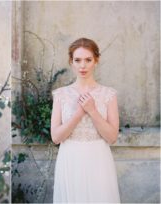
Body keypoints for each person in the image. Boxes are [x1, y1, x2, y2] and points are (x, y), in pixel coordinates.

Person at [51, 37, 121, 203]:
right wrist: (79, 113)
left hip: (98, 159)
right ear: (71, 62)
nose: (83, 66)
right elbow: (56, 137)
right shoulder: (61, 94)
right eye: (78, 60)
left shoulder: (108, 94)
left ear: (96, 61)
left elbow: (112, 137)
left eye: (88, 60)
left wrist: (92, 110)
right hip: (70, 158)